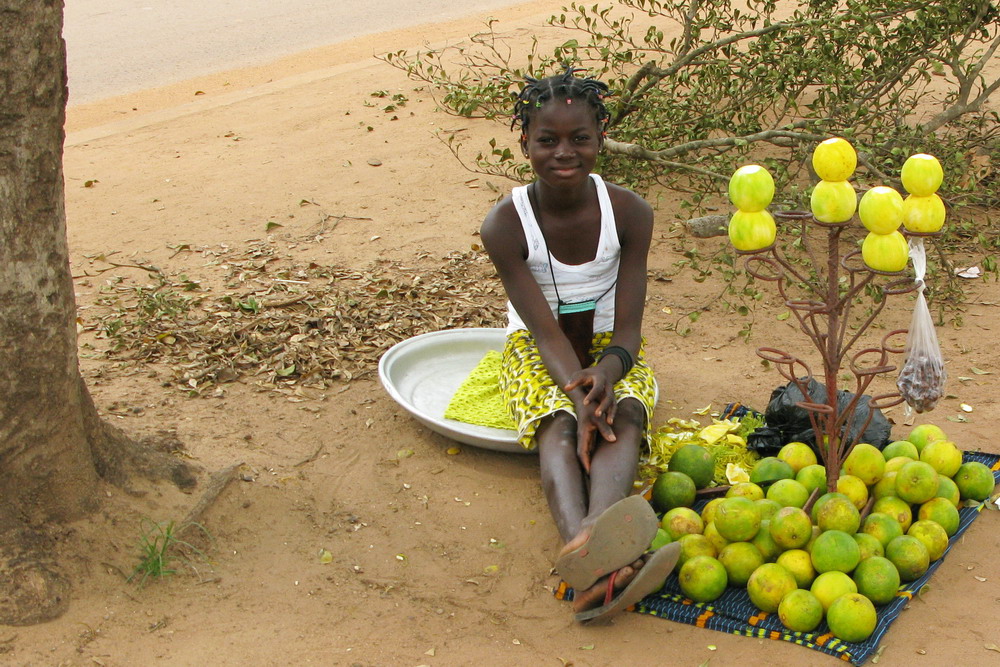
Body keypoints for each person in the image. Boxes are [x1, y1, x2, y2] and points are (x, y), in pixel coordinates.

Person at [480, 66, 678, 623]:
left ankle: (588, 549)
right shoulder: (504, 225)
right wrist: (577, 397)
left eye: (579, 138)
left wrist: (609, 376)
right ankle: (594, 550)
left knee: (625, 416)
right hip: (540, 350)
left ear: (601, 139)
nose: (563, 152)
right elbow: (543, 332)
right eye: (547, 140)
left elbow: (631, 329)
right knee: (559, 425)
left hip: (612, 350)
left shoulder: (630, 213)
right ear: (524, 142)